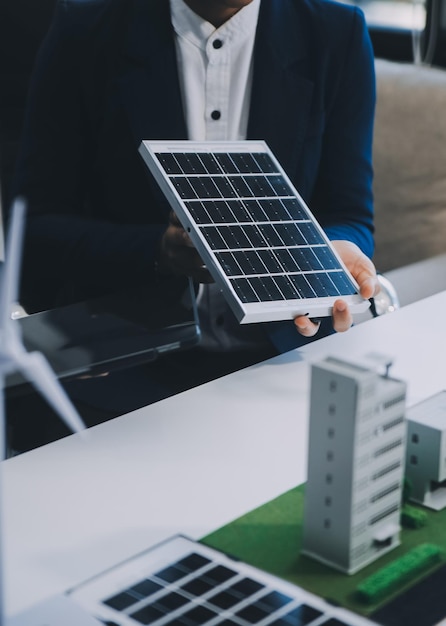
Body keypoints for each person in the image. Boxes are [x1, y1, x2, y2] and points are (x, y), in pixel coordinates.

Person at [9, 0, 378, 445]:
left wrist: (325, 254)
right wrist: (156, 252)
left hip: (282, 364)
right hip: (124, 368)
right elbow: (35, 229)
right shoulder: (86, 30)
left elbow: (350, 214)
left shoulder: (336, 32)